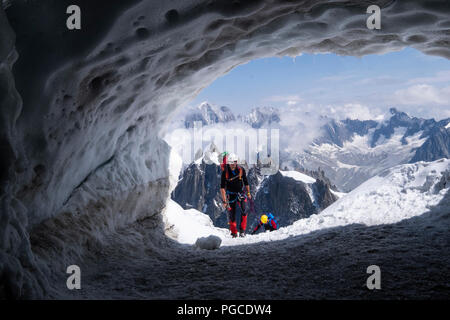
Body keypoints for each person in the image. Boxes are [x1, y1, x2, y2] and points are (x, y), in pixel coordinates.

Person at [220, 153, 251, 238]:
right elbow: (222, 188)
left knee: (244, 211)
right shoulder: (225, 173)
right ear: (228, 163)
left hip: (241, 193)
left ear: (236, 162)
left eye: (234, 162)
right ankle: (234, 233)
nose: (232, 164)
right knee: (232, 215)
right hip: (230, 195)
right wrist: (224, 200)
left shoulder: (241, 170)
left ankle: (242, 231)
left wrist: (248, 193)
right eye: (231, 162)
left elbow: (246, 182)